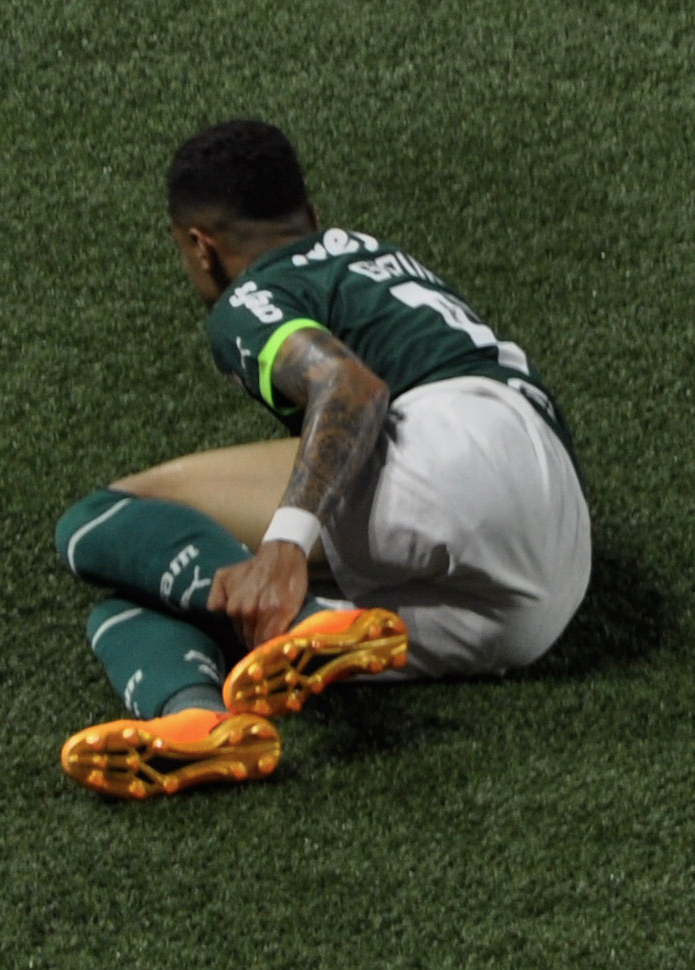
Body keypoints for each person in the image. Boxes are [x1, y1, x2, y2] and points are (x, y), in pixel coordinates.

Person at [51, 119, 592, 798]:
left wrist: (284, 545)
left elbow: (350, 387)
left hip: (455, 452)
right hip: (546, 583)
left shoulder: (250, 293)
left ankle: (310, 619)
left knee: (104, 519)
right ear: (309, 216)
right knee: (131, 604)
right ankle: (197, 719)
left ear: (200, 247)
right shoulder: (364, 252)